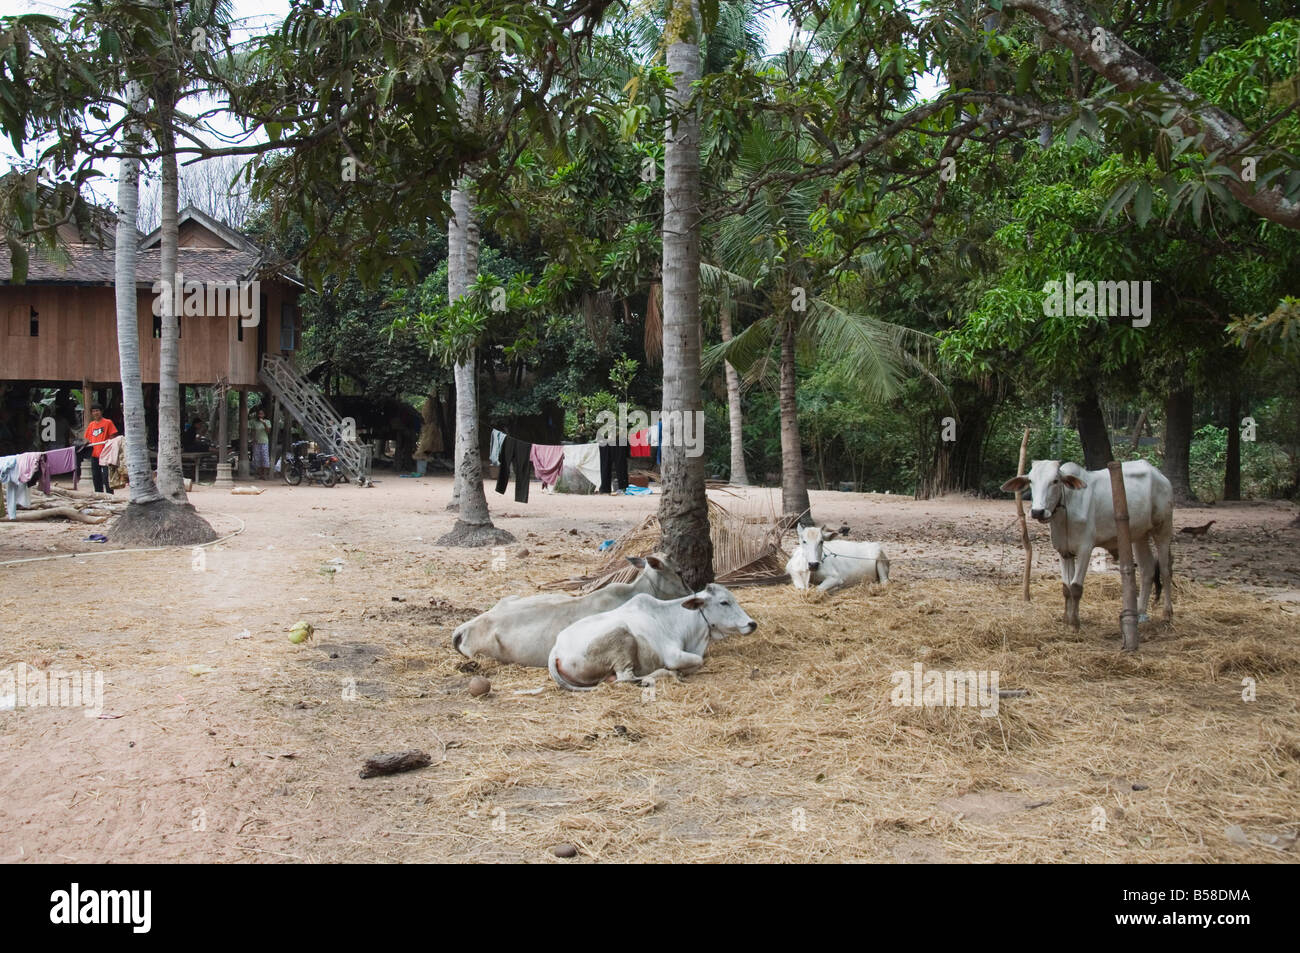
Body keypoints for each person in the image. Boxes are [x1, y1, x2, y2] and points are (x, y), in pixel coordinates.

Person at [82, 404, 118, 494]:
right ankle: (98, 495)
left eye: (97, 410)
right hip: (95, 454)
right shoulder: (91, 425)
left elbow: (113, 437)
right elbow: (88, 439)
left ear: (101, 411)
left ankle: (110, 495)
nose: (95, 413)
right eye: (93, 411)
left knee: (106, 476)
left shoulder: (108, 422)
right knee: (96, 476)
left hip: (105, 454)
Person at [249, 406, 271, 480]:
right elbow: (253, 431)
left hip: (264, 442)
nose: (260, 415)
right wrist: (253, 439)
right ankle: (260, 474)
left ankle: (265, 474)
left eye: (262, 414)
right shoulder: (254, 422)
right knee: (257, 458)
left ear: (264, 415)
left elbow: (268, 432)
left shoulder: (267, 421)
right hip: (257, 442)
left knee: (265, 458)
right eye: (259, 414)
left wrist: (264, 424)